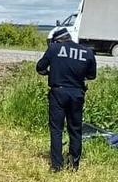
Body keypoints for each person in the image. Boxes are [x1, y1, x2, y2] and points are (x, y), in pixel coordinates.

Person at [36, 28, 97, 171]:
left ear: (57, 40)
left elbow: (40, 68)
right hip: (77, 94)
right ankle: (73, 165)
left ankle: (57, 165)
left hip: (58, 92)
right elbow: (92, 75)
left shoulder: (54, 48)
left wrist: (51, 73)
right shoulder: (87, 52)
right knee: (75, 129)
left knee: (56, 129)